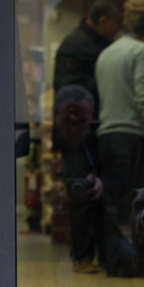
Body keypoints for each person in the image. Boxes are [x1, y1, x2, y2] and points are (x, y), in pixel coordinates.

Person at [94, 11, 144, 277]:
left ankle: (117, 264)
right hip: (133, 134)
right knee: (139, 200)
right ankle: (136, 264)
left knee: (114, 202)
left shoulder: (106, 53)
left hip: (108, 135)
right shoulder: (142, 51)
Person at [52, 86, 105, 273]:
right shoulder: (59, 135)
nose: (74, 129)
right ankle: (83, 257)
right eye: (68, 121)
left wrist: (100, 180)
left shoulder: (95, 136)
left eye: (81, 122)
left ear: (92, 116)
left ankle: (88, 256)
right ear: (55, 115)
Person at [53, 0, 123, 117]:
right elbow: (67, 86)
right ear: (103, 21)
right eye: (116, 23)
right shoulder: (76, 43)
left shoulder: (99, 40)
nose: (119, 28)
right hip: (78, 117)